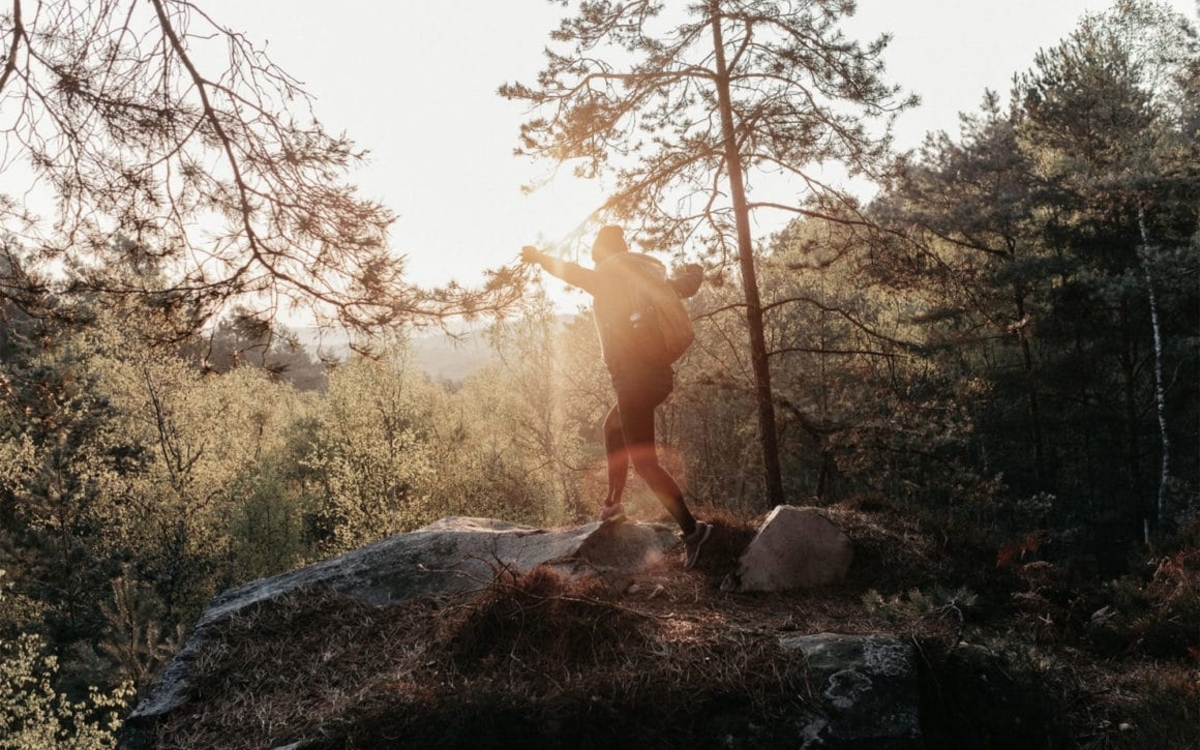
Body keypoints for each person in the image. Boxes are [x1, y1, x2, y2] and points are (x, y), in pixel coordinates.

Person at [521, 226, 712, 569]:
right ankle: (613, 506)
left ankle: (694, 532)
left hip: (635, 382)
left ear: (602, 253)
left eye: (596, 253)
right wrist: (695, 270)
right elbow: (687, 284)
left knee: (645, 464)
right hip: (656, 378)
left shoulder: (608, 278)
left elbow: (572, 273)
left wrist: (538, 258)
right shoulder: (647, 280)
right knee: (613, 428)